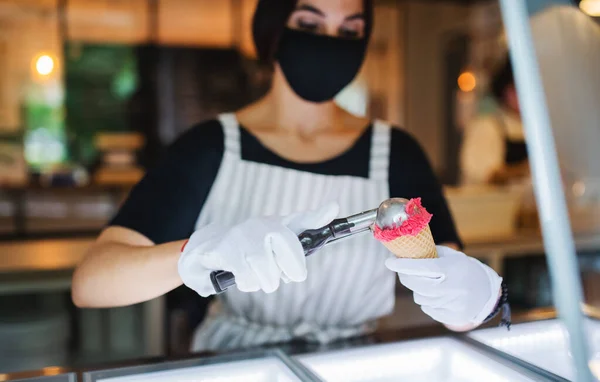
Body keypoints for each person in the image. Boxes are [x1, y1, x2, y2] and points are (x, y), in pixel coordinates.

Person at [72, 0, 506, 352]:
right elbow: (92, 282)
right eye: (310, 23)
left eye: (351, 30)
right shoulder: (210, 146)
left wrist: (475, 299)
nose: (332, 43)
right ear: (274, 29)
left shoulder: (397, 153)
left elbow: (449, 288)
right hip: (237, 363)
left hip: (356, 362)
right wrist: (197, 254)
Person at [460, 57, 529, 186]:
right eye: (517, 89)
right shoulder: (488, 125)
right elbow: (487, 174)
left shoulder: (535, 129)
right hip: (493, 204)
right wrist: (525, 170)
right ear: (505, 91)